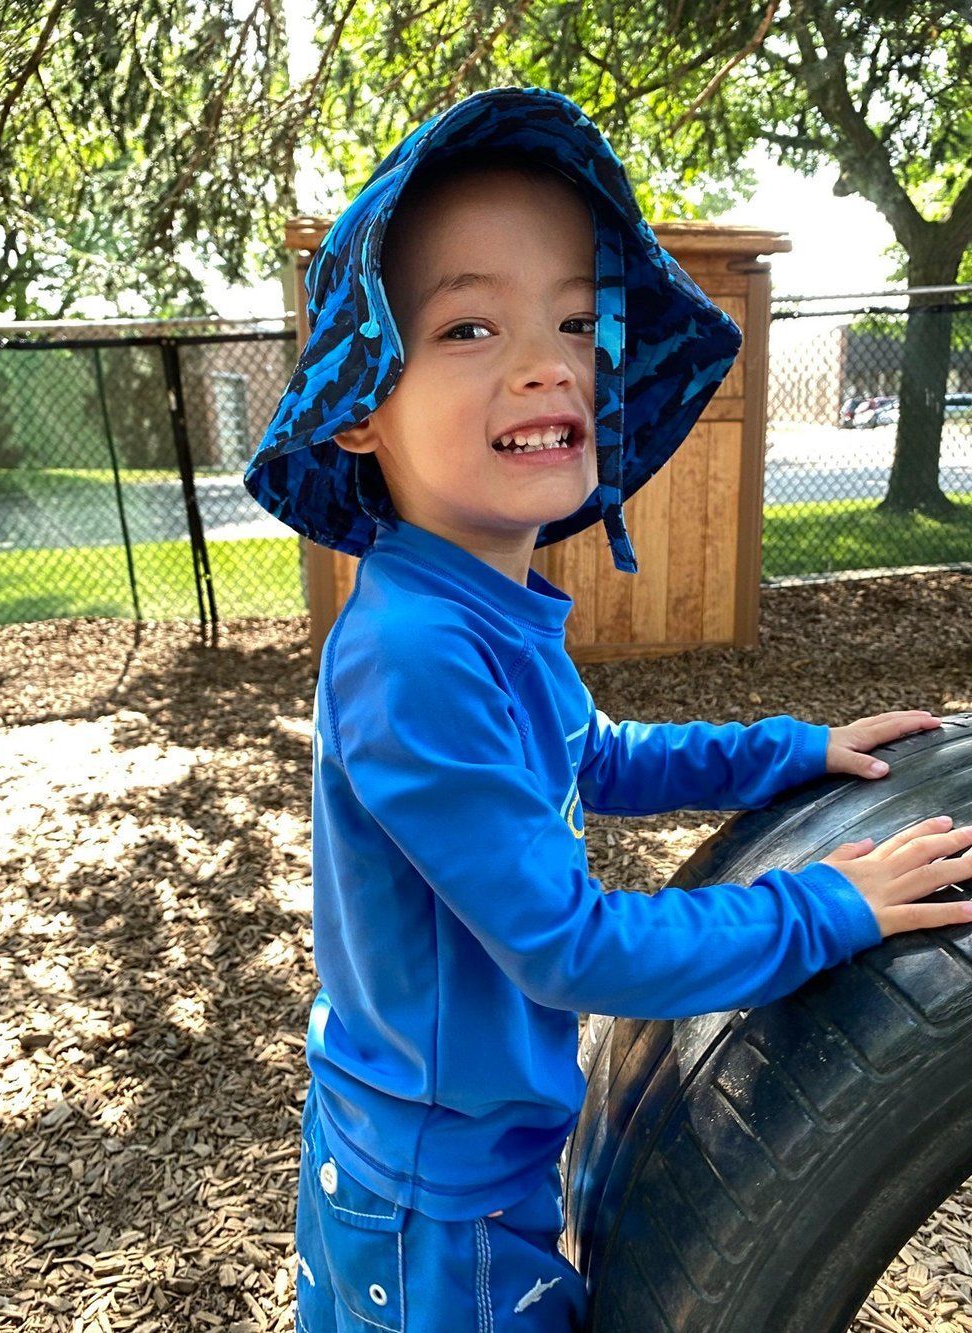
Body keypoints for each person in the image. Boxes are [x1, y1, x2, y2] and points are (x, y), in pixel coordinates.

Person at [243, 86, 972, 1333]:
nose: (547, 360)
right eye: (469, 325)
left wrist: (790, 751)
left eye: (576, 320)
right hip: (432, 1216)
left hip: (465, 1159)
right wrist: (824, 907)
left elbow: (594, 755)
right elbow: (570, 947)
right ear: (360, 406)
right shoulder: (413, 656)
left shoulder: (479, 606)